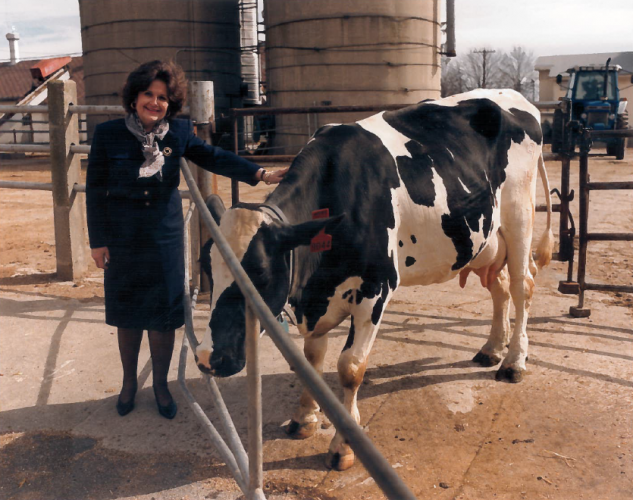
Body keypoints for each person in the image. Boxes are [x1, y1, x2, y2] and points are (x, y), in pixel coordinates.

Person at [86, 60, 287, 419]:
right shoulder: (108, 134)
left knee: (163, 315)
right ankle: (129, 383)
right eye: (148, 94)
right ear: (134, 98)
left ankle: (161, 385)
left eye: (163, 97)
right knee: (128, 315)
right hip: (122, 238)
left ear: (171, 104)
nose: (155, 102)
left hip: (163, 238)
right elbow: (95, 189)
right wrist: (98, 241)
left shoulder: (177, 132)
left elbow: (212, 156)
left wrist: (260, 172)